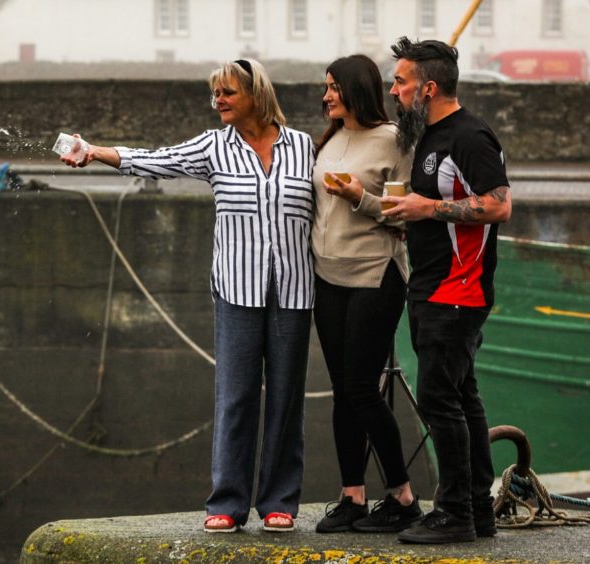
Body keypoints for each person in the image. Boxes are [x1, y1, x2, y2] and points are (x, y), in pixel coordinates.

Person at [60, 59, 314, 534]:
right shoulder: (213, 146)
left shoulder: (303, 147)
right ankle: (228, 502)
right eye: (215, 93)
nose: (217, 100)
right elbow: (155, 158)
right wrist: (95, 151)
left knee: (286, 399)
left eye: (227, 93)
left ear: (255, 94)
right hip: (237, 290)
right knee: (236, 397)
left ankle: (280, 500)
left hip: (294, 292)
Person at [382, 37, 512, 544]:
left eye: (401, 82)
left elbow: (498, 206)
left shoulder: (470, 136)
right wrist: (410, 224)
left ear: (427, 87)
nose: (394, 91)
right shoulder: (431, 137)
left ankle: (454, 511)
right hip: (434, 285)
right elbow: (445, 205)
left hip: (457, 291)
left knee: (441, 399)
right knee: (462, 397)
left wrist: (426, 210)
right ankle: (477, 509)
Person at [310, 54, 422, 534]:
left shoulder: (395, 140)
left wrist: (361, 197)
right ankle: (352, 495)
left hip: (376, 276)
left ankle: (402, 496)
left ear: (357, 88)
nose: (327, 94)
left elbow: (402, 214)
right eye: (325, 86)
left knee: (361, 388)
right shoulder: (329, 139)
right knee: (343, 392)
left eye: (334, 87)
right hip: (327, 277)